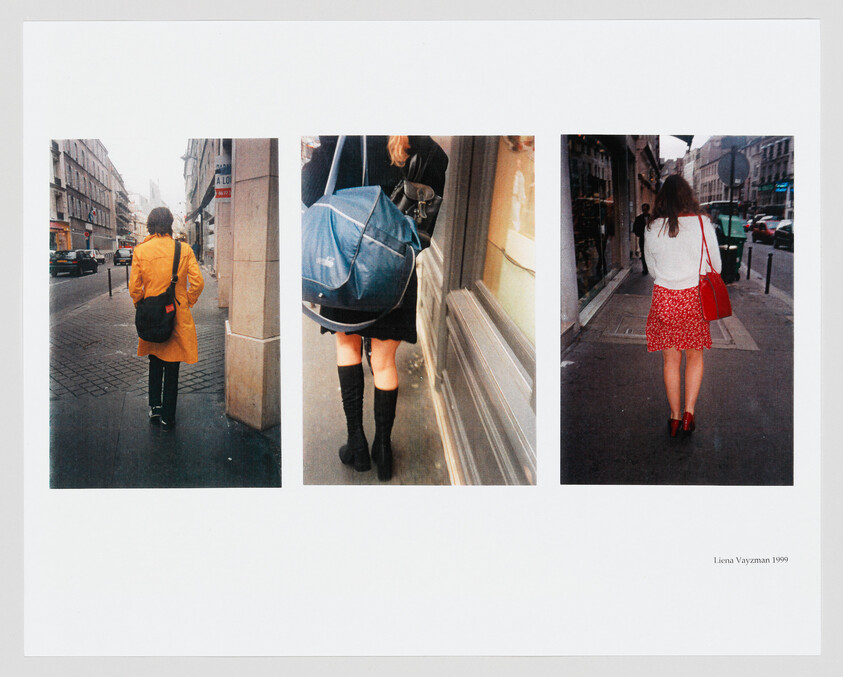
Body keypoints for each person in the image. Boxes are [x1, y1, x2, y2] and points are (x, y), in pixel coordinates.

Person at [302, 136, 448, 480]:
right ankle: (384, 450)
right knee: (383, 362)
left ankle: (357, 443)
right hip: (393, 271)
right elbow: (427, 214)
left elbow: (310, 195)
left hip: (345, 264)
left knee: (347, 346)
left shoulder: (342, 136)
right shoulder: (421, 144)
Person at [644, 175, 721, 438]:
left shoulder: (652, 227)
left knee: (670, 360)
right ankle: (689, 413)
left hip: (665, 298)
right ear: (688, 196)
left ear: (662, 198)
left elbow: (652, 270)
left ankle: (674, 417)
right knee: (695, 357)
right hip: (693, 299)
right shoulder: (703, 224)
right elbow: (716, 267)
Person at [129, 207, 205, 431]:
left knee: (155, 359)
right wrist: (187, 301)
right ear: (170, 223)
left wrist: (141, 305)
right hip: (177, 315)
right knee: (172, 366)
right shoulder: (184, 249)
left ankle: (155, 407)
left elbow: (134, 288)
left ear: (150, 225)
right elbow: (198, 283)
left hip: (151, 314)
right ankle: (168, 417)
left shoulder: (141, 250)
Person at [632, 203, 650, 275]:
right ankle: (645, 269)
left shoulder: (652, 218)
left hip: (651, 240)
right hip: (642, 239)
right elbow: (635, 229)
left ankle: (650, 267)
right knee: (643, 254)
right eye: (643, 210)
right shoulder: (638, 219)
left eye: (645, 210)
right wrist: (640, 234)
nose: (644, 211)